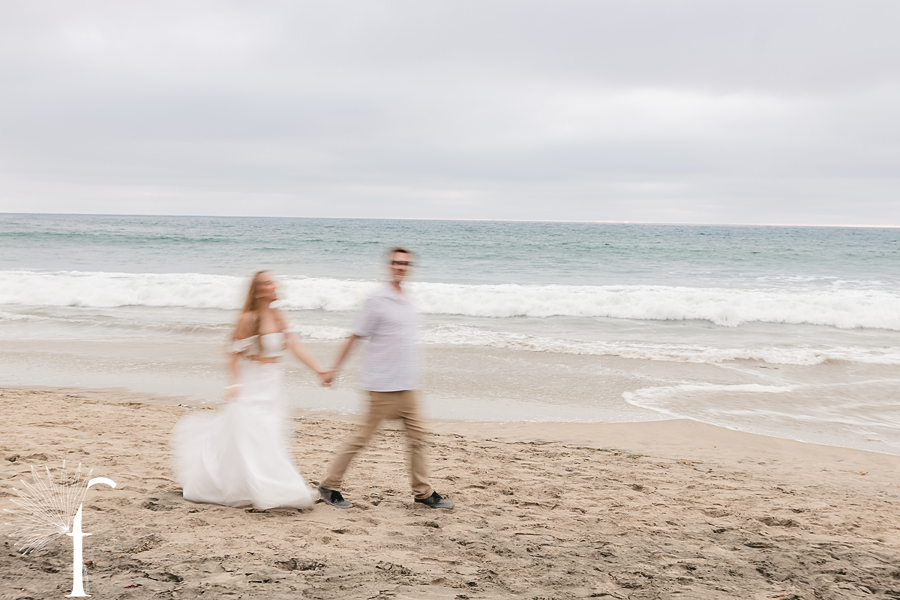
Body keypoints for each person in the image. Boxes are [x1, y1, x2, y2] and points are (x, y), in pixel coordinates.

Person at [171, 271, 332, 510]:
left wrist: (319, 370)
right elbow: (233, 353)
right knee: (251, 434)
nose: (274, 286)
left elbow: (295, 346)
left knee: (268, 435)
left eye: (274, 281)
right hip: (252, 382)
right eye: (268, 283)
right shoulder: (249, 319)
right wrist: (234, 382)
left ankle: (267, 483)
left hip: (272, 384)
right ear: (257, 291)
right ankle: (256, 486)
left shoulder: (279, 316)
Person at [318, 247, 453, 510]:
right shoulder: (376, 299)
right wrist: (333, 369)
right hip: (382, 386)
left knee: (417, 439)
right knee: (361, 439)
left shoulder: (408, 301)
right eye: (396, 263)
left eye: (405, 263)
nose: (400, 267)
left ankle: (423, 493)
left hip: (408, 386)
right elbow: (355, 335)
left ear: (409, 268)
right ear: (389, 266)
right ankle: (329, 485)